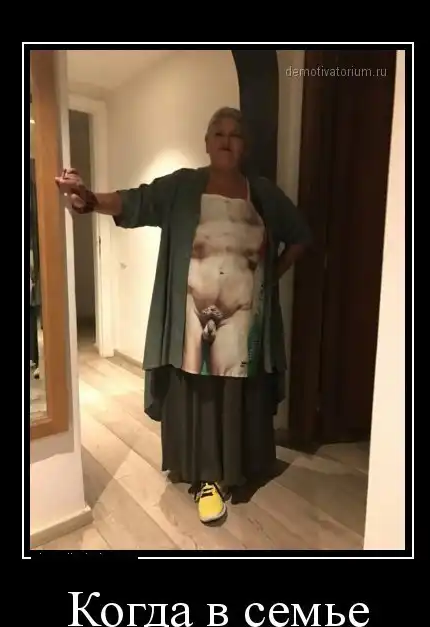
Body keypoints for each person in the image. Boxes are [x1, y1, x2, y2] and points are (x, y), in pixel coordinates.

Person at [55, 107, 312, 525]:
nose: (226, 140)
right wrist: (89, 197)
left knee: (239, 397)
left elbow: (299, 236)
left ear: (245, 146)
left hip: (246, 324)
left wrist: (268, 279)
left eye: (235, 134)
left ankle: (239, 469)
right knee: (203, 396)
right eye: (218, 133)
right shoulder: (183, 186)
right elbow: (135, 200)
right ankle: (207, 478)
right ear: (206, 142)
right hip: (194, 320)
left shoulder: (263, 193)